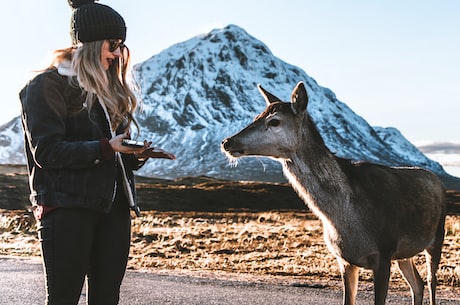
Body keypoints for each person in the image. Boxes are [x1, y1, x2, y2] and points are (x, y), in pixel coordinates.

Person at [19, 1, 175, 304]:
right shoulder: (46, 85)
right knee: (63, 299)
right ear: (89, 42)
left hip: (114, 213)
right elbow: (48, 152)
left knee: (107, 299)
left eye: (121, 46)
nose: (118, 54)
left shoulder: (108, 92)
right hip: (67, 212)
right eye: (113, 44)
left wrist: (136, 154)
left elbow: (112, 156)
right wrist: (106, 148)